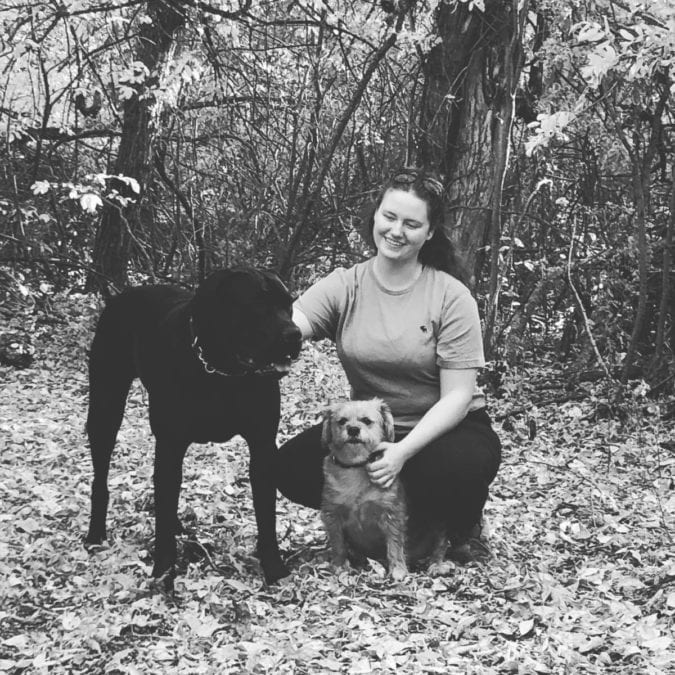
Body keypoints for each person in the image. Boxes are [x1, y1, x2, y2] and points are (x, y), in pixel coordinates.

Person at [275, 166, 501, 559]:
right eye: (389, 217)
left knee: (452, 469)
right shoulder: (347, 284)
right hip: (368, 427)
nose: (397, 231)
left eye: (412, 223)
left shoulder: (451, 296)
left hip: (445, 430)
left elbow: (458, 397)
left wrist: (401, 452)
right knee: (290, 467)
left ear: (429, 233)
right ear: (375, 217)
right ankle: (369, 523)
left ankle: (458, 525)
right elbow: (291, 325)